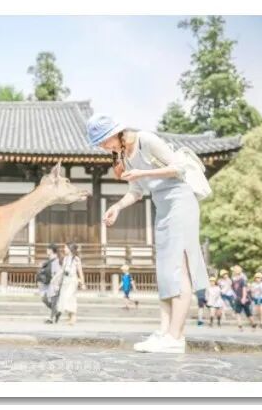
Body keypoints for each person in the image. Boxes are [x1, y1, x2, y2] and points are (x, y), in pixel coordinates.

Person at [87, 114, 209, 353]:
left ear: (117, 133)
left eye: (104, 141)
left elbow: (179, 167)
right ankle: (164, 331)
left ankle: (175, 336)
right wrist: (117, 207)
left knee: (179, 269)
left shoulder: (145, 139)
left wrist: (143, 174)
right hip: (162, 208)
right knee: (164, 270)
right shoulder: (124, 156)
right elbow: (136, 191)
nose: (103, 147)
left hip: (180, 203)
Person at [56, 242, 86, 325]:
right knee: (64, 298)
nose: (64, 249)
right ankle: (70, 317)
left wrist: (82, 283)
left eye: (65, 247)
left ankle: (73, 317)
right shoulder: (65, 258)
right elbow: (62, 270)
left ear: (70, 249)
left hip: (72, 280)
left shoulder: (76, 259)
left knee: (69, 297)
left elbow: (80, 272)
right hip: (65, 280)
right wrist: (56, 279)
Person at [38, 244, 64, 323]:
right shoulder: (49, 260)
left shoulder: (57, 260)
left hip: (54, 282)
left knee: (53, 301)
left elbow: (59, 272)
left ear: (51, 250)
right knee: (44, 299)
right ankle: (57, 312)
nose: (46, 251)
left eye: (48, 249)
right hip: (47, 282)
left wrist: (57, 283)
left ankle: (51, 318)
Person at [232, 266, 257, 331]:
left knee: (248, 313)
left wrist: (243, 298)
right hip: (238, 299)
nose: (233, 272)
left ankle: (253, 324)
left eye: (234, 271)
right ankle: (240, 326)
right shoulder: (234, 280)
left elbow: (244, 289)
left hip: (244, 299)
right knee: (237, 313)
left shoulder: (242, 280)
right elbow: (235, 290)